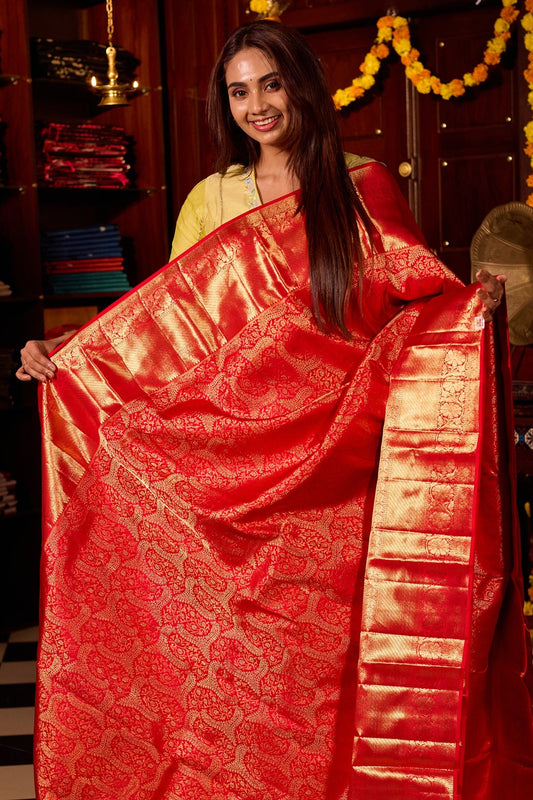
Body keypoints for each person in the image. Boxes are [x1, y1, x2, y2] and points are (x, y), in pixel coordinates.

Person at [18, 20, 533, 800]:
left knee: (319, 661)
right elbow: (164, 326)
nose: (256, 105)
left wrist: (471, 309)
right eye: (238, 92)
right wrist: (68, 356)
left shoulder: (362, 185)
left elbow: (413, 300)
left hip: (337, 462)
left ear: (301, 86)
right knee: (232, 656)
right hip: (224, 455)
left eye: (270, 84)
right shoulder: (213, 197)